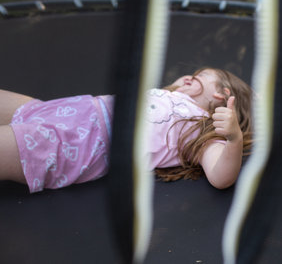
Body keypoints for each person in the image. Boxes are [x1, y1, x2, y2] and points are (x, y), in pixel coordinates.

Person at [0, 68, 253, 193]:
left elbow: (221, 177)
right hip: (64, 111)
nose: (189, 75)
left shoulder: (198, 128)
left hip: (67, 144)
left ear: (222, 94)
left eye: (199, 76)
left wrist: (233, 138)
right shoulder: (167, 96)